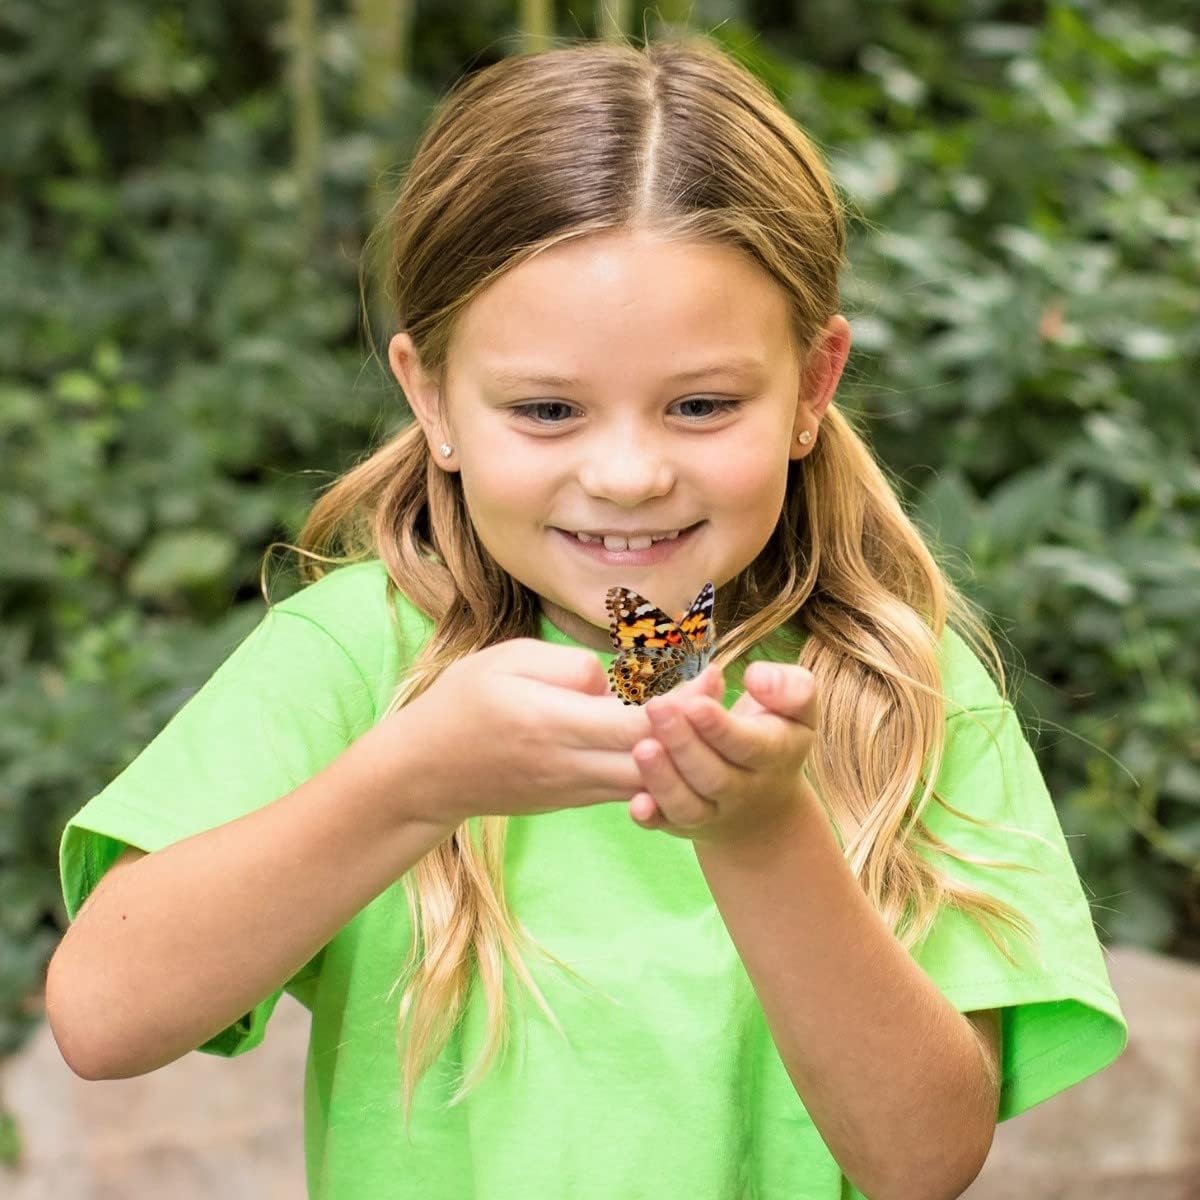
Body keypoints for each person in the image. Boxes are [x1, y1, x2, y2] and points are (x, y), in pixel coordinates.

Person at [46, 32, 1127, 1200]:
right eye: (550, 409)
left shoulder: (899, 689)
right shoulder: (356, 655)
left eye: (700, 404)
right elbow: (104, 1022)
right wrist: (410, 782)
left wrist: (761, 835)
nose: (625, 475)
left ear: (812, 388)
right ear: (433, 397)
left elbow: (923, 1162)